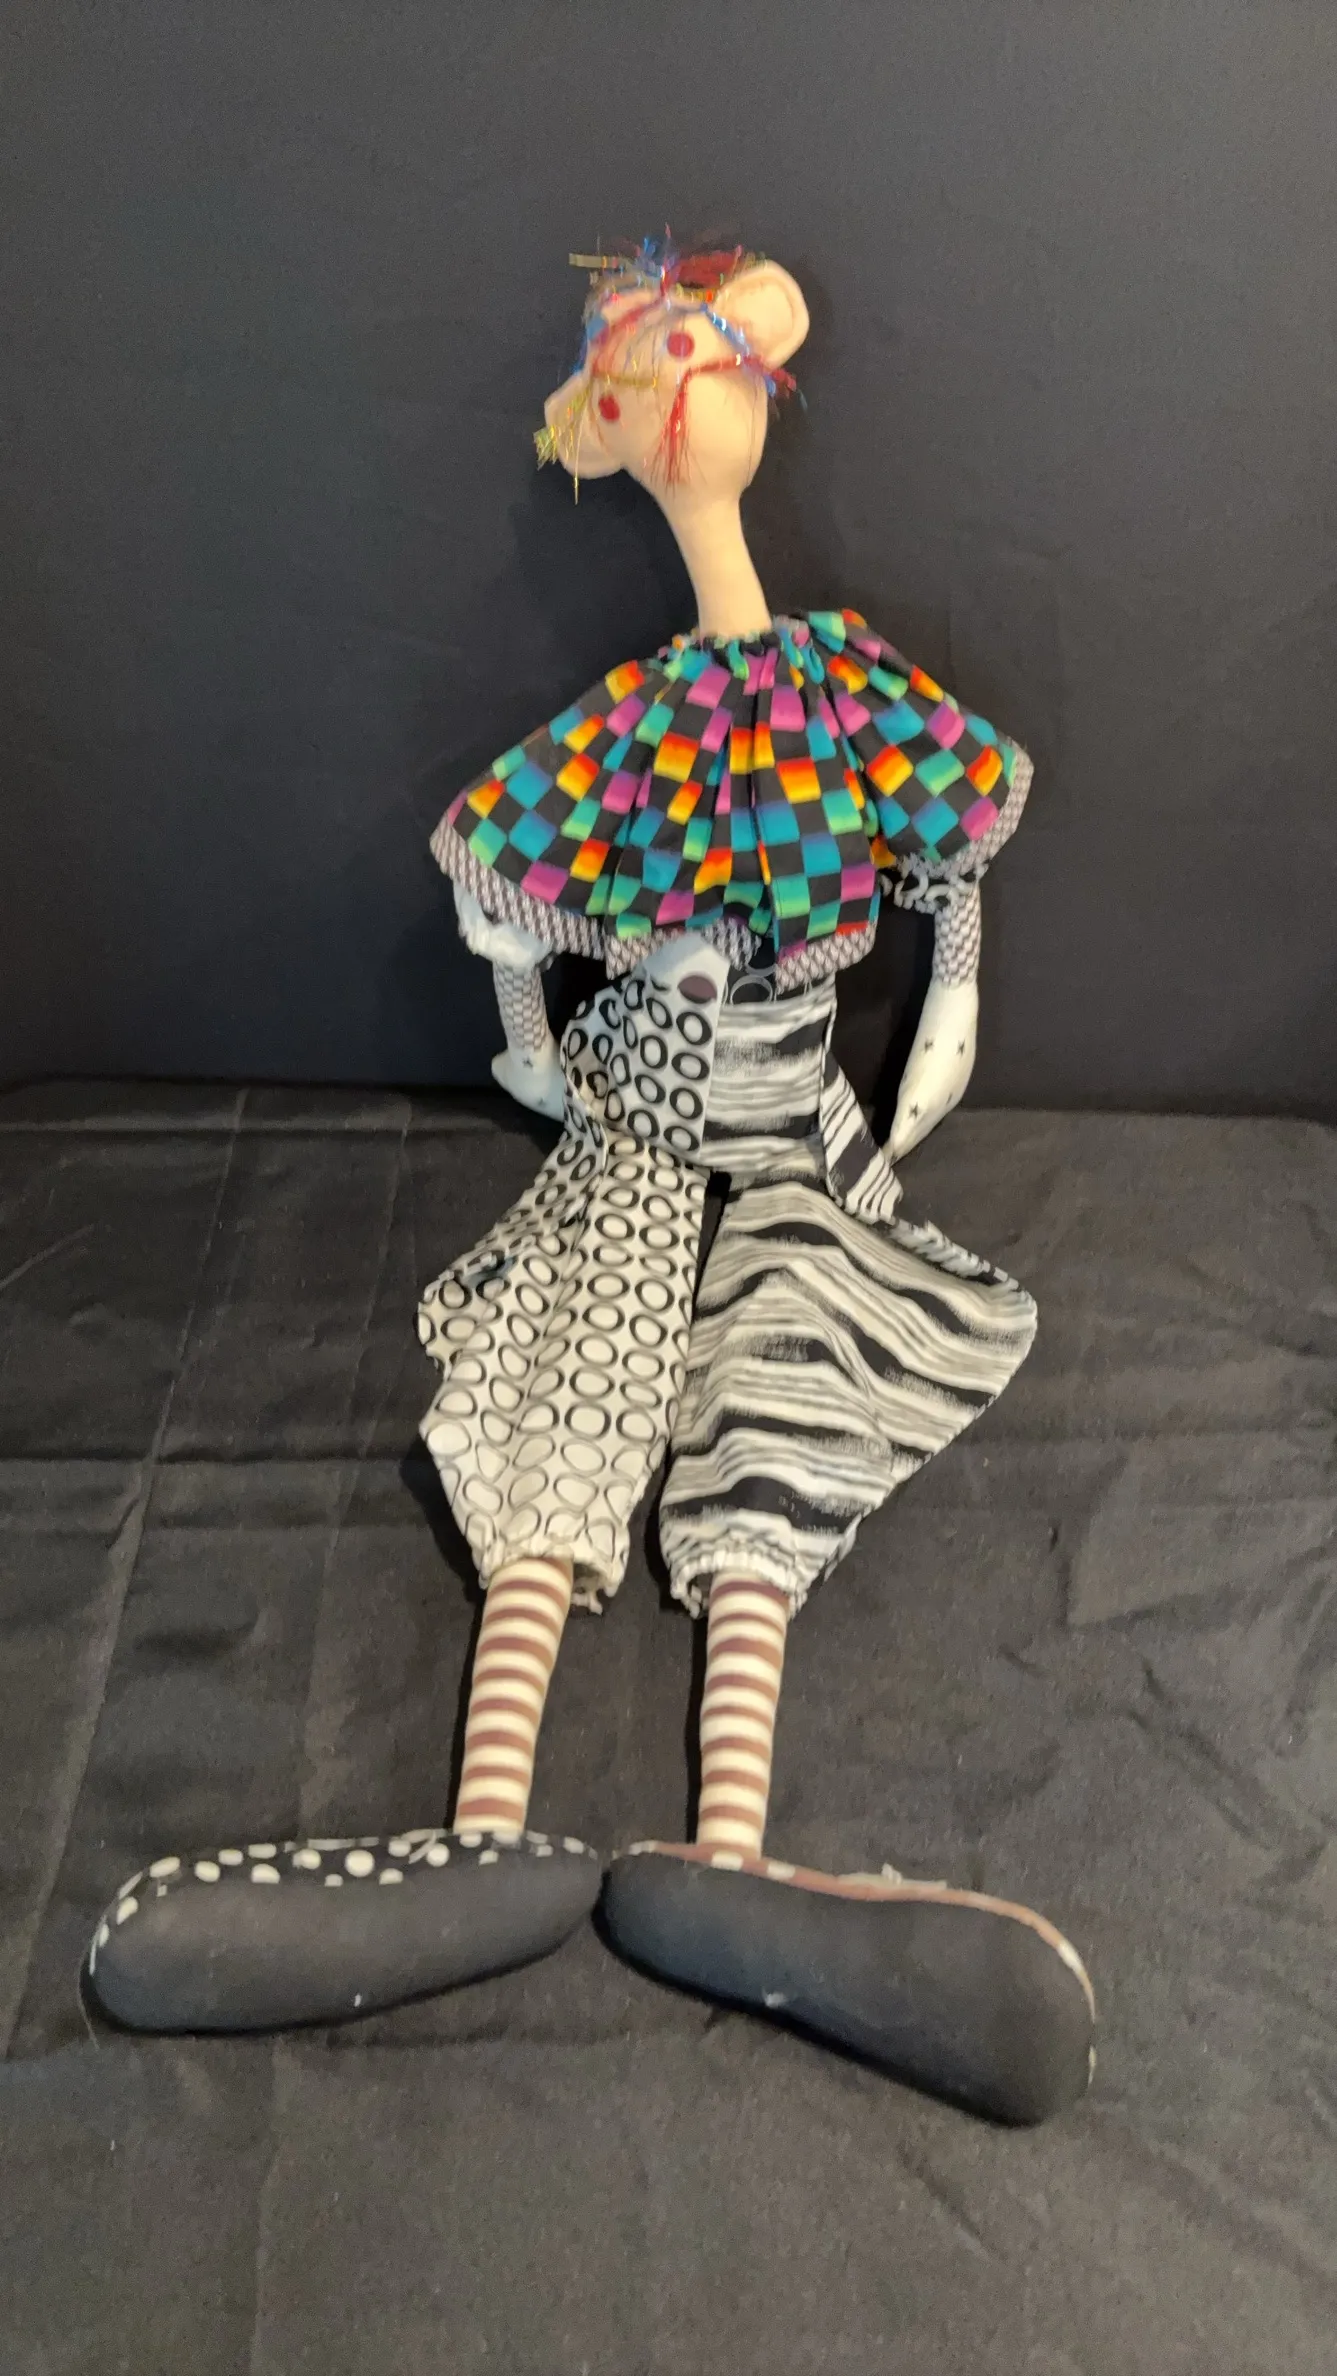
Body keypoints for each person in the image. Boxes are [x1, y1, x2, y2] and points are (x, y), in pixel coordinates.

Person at [88, 241, 1093, 2125]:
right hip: (635, 1115)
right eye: (649, 383)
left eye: (692, 371)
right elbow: (508, 886)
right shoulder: (638, 731)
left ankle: (734, 1864)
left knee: (782, 1381)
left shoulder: (835, 686)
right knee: (573, 1369)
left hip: (789, 1125)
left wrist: (951, 996)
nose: (681, 413)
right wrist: (539, 1044)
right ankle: (480, 1836)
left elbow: (947, 857)